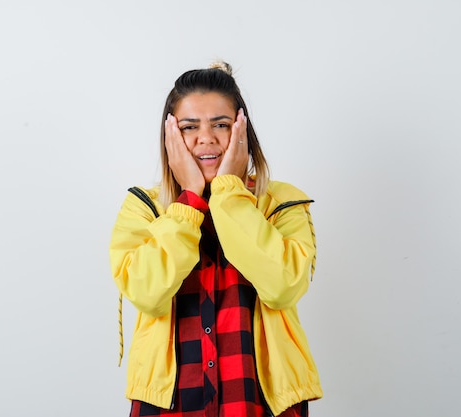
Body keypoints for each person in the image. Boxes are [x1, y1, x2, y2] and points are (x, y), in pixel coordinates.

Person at [109, 61, 322, 417]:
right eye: (189, 127)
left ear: (242, 132)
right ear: (170, 138)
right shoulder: (144, 207)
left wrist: (226, 192)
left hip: (261, 402)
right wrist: (190, 198)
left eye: (221, 125)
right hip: (170, 403)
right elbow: (147, 294)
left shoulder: (281, 203)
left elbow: (284, 285)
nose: (206, 138)